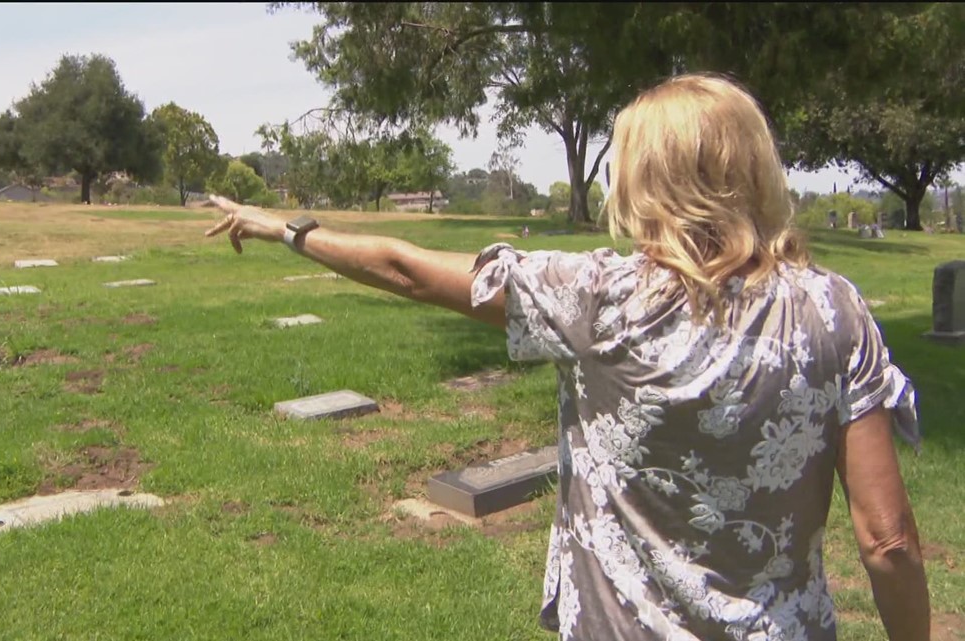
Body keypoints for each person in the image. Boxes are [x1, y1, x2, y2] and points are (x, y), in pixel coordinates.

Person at [205, 73, 928, 641]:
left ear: (644, 179)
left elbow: (405, 269)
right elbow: (887, 539)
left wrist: (288, 229)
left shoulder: (594, 298)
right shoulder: (836, 311)